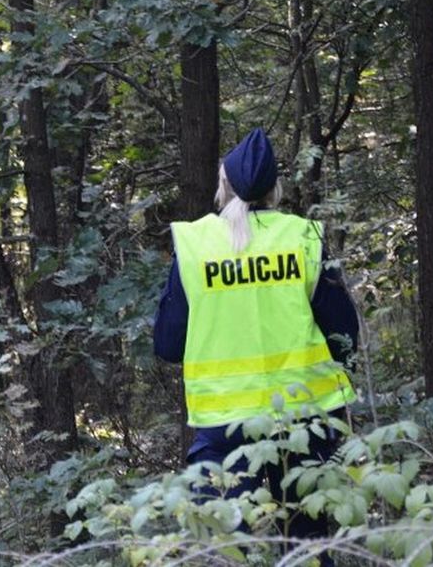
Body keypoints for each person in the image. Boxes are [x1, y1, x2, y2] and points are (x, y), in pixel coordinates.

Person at [154, 128, 359, 563]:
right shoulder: (303, 237)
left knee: (228, 546)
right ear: (274, 189)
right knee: (306, 542)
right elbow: (345, 337)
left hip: (224, 423)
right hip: (307, 416)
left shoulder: (195, 245)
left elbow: (169, 344)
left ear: (222, 186)